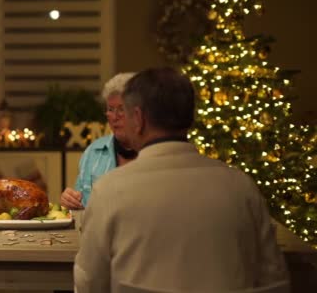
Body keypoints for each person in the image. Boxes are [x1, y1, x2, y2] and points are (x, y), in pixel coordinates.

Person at [74, 67, 289, 292]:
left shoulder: (109, 191)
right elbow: (274, 281)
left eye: (124, 112)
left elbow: (89, 283)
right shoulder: (242, 187)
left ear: (138, 119)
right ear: (190, 117)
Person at [60, 72, 137, 210]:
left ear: (138, 112)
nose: (114, 117)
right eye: (110, 109)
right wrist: (69, 201)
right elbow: (80, 204)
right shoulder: (93, 152)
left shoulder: (153, 151)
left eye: (121, 109)